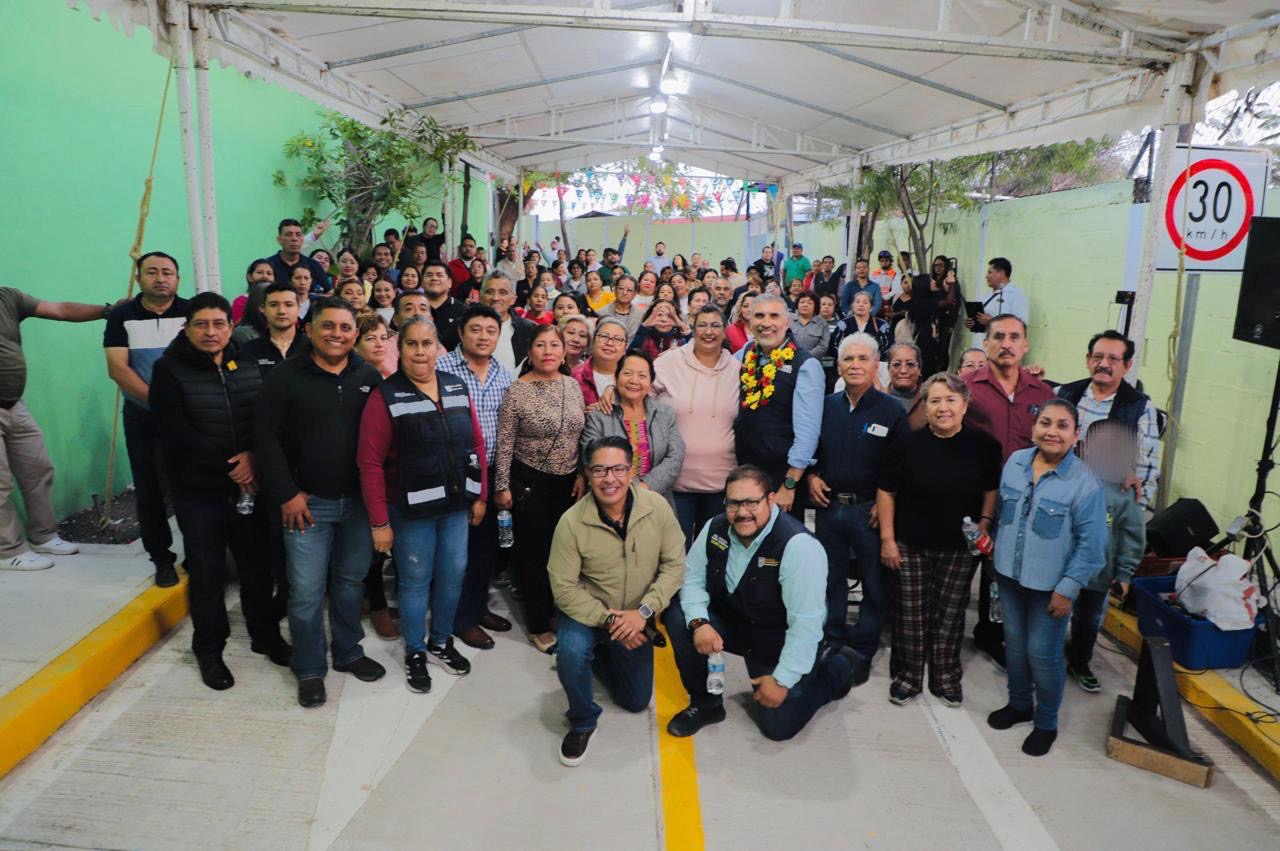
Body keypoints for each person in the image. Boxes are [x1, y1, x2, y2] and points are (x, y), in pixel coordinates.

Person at [149, 292, 288, 690]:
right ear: (187, 327)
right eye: (201, 324)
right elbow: (175, 433)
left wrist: (253, 457)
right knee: (208, 575)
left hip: (250, 488)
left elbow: (263, 419)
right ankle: (209, 651)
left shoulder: (247, 363)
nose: (210, 332)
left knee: (257, 569)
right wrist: (233, 466)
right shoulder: (169, 370)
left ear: (231, 326)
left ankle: (265, 635)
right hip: (199, 492)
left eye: (218, 324)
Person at [254, 298, 386, 708]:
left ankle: (347, 651)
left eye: (346, 328)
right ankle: (310, 667)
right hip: (307, 506)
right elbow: (266, 439)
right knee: (307, 592)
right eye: (328, 326)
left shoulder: (368, 376)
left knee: (350, 583)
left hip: (358, 506)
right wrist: (287, 494)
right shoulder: (284, 377)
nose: (337, 334)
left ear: (355, 334)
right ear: (309, 329)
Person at [664, 465, 859, 741]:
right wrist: (699, 623)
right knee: (677, 616)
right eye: (733, 503)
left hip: (780, 638)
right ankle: (706, 704)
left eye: (751, 502)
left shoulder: (799, 547)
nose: (742, 512)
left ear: (770, 499)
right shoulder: (715, 527)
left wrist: (782, 680)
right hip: (739, 623)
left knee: (777, 727)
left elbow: (805, 625)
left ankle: (838, 668)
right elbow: (692, 579)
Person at [359, 317, 486, 691]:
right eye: (411, 344)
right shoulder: (385, 396)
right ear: (400, 349)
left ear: (437, 349)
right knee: (415, 581)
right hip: (410, 512)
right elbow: (369, 463)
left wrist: (479, 495)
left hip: (455, 507)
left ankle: (441, 642)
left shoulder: (456, 386)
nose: (419, 352)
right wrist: (379, 522)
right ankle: (415, 651)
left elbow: (476, 444)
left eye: (426, 344)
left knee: (453, 574)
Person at [548, 436, 685, 765]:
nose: (609, 479)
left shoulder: (657, 508)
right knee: (571, 651)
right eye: (599, 470)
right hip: (589, 612)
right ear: (587, 473)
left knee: (635, 701)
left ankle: (600, 655)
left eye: (618, 469)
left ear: (631, 470)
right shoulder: (571, 522)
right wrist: (610, 620)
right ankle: (582, 720)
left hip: (637, 614)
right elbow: (563, 587)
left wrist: (643, 613)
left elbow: (675, 565)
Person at [989, 398, 1106, 756]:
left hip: (1050, 588)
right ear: (1034, 428)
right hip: (1009, 577)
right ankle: (1019, 704)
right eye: (1046, 423)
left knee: (1043, 654)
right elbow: (1003, 515)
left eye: (1062, 426)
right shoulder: (1015, 463)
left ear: (1075, 435)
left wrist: (1067, 589)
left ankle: (1046, 722)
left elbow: (1092, 546)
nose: (1052, 432)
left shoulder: (1085, 483)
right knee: (1015, 647)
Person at [877, 373, 1002, 707]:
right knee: (909, 613)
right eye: (934, 400)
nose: (943, 407)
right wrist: (888, 539)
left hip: (960, 548)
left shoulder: (985, 446)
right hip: (910, 544)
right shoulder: (906, 445)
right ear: (925, 406)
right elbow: (886, 492)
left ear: (965, 405)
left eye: (950, 400)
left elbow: (991, 488)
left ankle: (945, 677)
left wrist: (985, 522)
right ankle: (907, 676)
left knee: (950, 614)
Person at [809, 334, 907, 680]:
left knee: (874, 583)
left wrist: (884, 503)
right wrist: (811, 478)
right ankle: (832, 639)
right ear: (838, 366)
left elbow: (899, 467)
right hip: (829, 509)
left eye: (862, 358)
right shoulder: (825, 407)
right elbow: (811, 451)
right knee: (830, 579)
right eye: (848, 359)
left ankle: (863, 649)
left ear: (876, 364)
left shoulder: (892, 411)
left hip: (870, 511)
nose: (854, 365)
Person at [964, 314, 1056, 669]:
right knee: (963, 564)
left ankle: (990, 633)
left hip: (1020, 502)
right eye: (999, 336)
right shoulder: (967, 387)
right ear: (986, 343)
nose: (1006, 344)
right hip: (972, 495)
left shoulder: (1042, 393)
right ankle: (947, 631)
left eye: (1014, 337)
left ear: (1025, 345)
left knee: (1003, 570)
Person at [1, 289, 114, 571]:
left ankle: (43, 536)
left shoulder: (7, 297)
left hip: (14, 404)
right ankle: (8, 550)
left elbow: (60, 309)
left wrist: (106, 310)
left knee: (38, 470)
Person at [494, 324, 587, 654]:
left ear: (563, 352)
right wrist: (501, 486)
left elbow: (579, 434)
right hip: (530, 483)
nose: (548, 351)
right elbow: (505, 443)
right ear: (529, 352)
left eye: (554, 345)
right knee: (534, 556)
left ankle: (556, 610)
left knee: (564, 553)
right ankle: (537, 623)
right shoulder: (517, 391)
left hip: (569, 483)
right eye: (540, 345)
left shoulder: (572, 385)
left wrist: (582, 473)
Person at [103, 251, 189, 587]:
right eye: (152, 272)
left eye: (167, 272)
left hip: (189, 417)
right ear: (139, 278)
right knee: (150, 490)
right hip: (143, 417)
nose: (160, 278)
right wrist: (160, 402)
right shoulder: (122, 316)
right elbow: (118, 368)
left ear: (178, 278)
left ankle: (196, 553)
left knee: (190, 487)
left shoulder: (191, 312)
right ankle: (162, 559)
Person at [438, 305, 515, 650]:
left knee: (485, 549)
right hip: (454, 472)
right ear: (460, 333)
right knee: (457, 552)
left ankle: (477, 607)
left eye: (490, 331)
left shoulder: (503, 374)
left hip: (492, 471)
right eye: (475, 329)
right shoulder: (441, 369)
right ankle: (460, 619)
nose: (483, 336)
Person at [651, 305, 740, 546]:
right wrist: (611, 390)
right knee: (675, 552)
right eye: (702, 325)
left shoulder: (737, 369)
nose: (708, 331)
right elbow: (638, 393)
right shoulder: (668, 362)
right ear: (692, 328)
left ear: (725, 331)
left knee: (713, 552)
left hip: (721, 484)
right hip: (674, 482)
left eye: (715, 325)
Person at [1068, 419, 1145, 693]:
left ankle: (1079, 662)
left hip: (1099, 575)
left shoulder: (1123, 492)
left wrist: (1124, 574)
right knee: (1053, 616)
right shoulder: (1068, 478)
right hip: (1063, 570)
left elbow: (1131, 536)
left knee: (1089, 621)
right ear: (1085, 447)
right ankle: (1046, 660)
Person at [733, 294, 822, 514]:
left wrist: (789, 484)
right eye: (759, 316)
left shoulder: (806, 365)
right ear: (750, 321)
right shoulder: (746, 353)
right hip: (745, 471)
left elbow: (808, 433)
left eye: (774, 316)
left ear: (787, 322)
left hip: (781, 479)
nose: (766, 323)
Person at [1055, 330, 1161, 510]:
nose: (1103, 364)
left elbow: (1146, 470)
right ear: (1088, 360)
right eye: (1097, 357)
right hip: (1058, 494)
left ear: (1127, 366)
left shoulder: (1140, 408)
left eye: (1113, 359)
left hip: (1104, 502)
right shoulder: (1063, 394)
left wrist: (1132, 514)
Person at [581, 352, 685, 503]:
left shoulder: (664, 414)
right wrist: (624, 491)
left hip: (655, 500)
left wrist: (646, 486)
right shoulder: (599, 416)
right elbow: (590, 457)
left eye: (642, 376)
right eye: (627, 373)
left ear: (650, 383)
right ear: (615, 378)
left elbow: (675, 456)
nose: (634, 380)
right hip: (609, 500)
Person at [242, 281, 310, 373]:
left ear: (299, 308)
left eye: (289, 305)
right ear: (263, 309)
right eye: (273, 305)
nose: (281, 311)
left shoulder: (313, 347)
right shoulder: (249, 351)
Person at [967, 257, 1028, 347]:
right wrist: (973, 322)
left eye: (990, 272)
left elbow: (1021, 325)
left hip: (1004, 347)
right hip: (983, 345)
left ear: (1001, 273)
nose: (986, 276)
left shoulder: (1016, 294)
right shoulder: (987, 295)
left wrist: (992, 321)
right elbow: (984, 321)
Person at [481, 272, 534, 374]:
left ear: (513, 299)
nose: (495, 298)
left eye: (503, 292)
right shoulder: (465, 327)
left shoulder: (528, 329)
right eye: (490, 292)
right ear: (481, 296)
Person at [571, 316, 628, 406]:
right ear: (593, 340)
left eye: (617, 339)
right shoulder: (575, 377)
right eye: (604, 336)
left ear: (625, 347)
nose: (609, 343)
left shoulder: (633, 377)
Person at [268, 219, 329, 295]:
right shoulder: (268, 266)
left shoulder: (314, 265)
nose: (294, 238)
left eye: (298, 235)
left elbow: (329, 292)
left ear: (302, 239)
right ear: (279, 240)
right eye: (289, 234)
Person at [230, 258, 275, 338]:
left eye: (269, 273)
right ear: (250, 277)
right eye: (259, 272)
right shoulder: (241, 301)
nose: (265, 276)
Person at [788, 291, 830, 359]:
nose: (805, 305)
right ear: (797, 304)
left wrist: (806, 357)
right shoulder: (788, 319)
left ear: (815, 306)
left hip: (812, 360)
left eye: (809, 303)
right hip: (789, 358)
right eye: (802, 302)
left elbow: (823, 346)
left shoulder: (822, 323)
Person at [885, 342, 922, 410]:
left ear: (919, 369)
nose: (903, 371)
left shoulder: (930, 397)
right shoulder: (874, 400)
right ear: (888, 369)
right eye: (897, 364)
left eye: (910, 364)